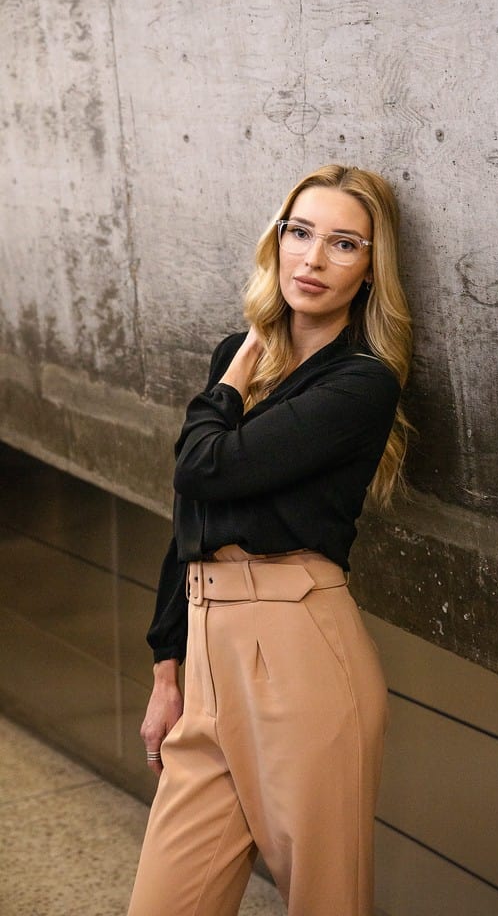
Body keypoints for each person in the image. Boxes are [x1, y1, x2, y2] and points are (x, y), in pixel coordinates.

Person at [127, 164, 413, 916]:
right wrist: (167, 673)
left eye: (344, 244)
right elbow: (189, 519)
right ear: (277, 241)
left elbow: (203, 466)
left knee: (325, 901)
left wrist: (238, 373)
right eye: (300, 232)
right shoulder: (235, 356)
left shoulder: (361, 382)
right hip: (208, 648)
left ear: (369, 271)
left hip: (300, 651)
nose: (313, 259)